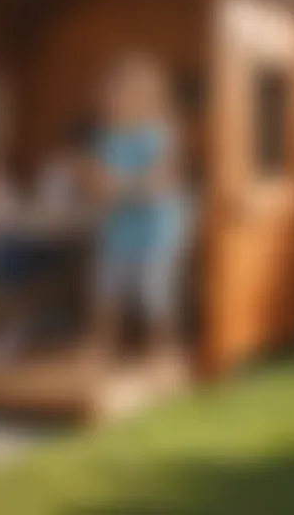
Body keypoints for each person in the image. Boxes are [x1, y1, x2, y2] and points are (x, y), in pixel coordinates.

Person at [87, 53, 191, 363]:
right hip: (118, 228)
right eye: (111, 94)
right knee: (105, 286)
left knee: (153, 291)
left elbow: (162, 182)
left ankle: (163, 348)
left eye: (124, 94)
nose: (116, 101)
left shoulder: (160, 134)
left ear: (145, 96)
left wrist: (120, 187)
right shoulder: (106, 138)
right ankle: (100, 345)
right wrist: (103, 186)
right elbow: (97, 183)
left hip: (157, 229)